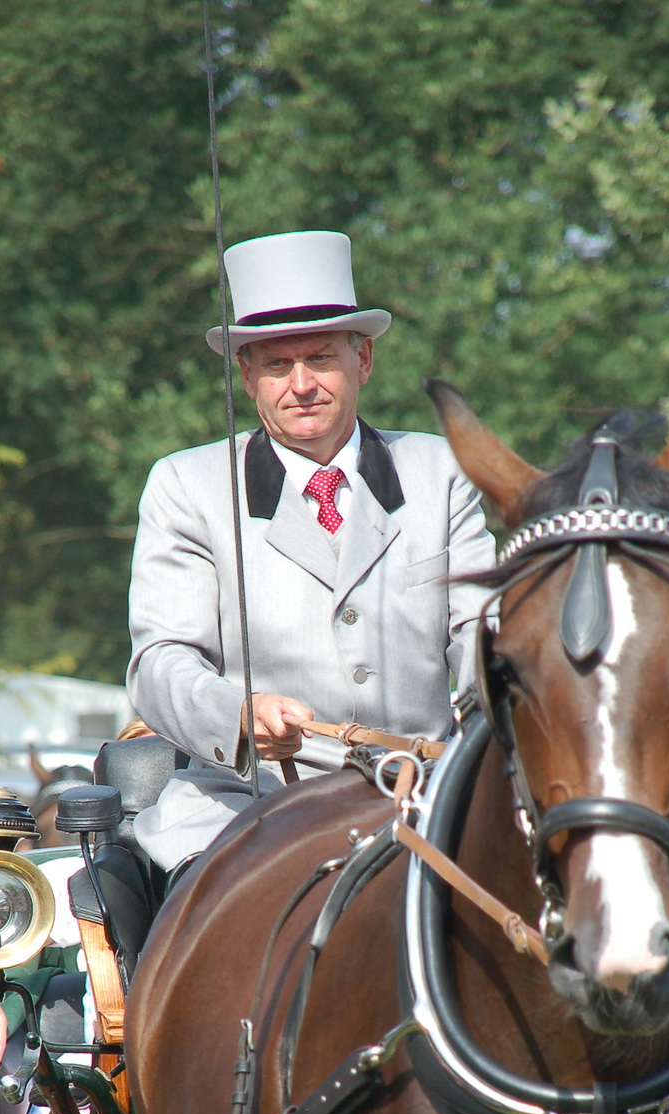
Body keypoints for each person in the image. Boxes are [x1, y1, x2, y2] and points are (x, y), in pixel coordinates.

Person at [127, 228, 495, 868]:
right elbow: (160, 662)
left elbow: (486, 637)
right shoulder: (185, 485)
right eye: (277, 364)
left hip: (425, 795)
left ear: (365, 362)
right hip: (242, 805)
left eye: (322, 358)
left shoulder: (442, 472)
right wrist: (238, 715)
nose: (301, 385)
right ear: (247, 376)